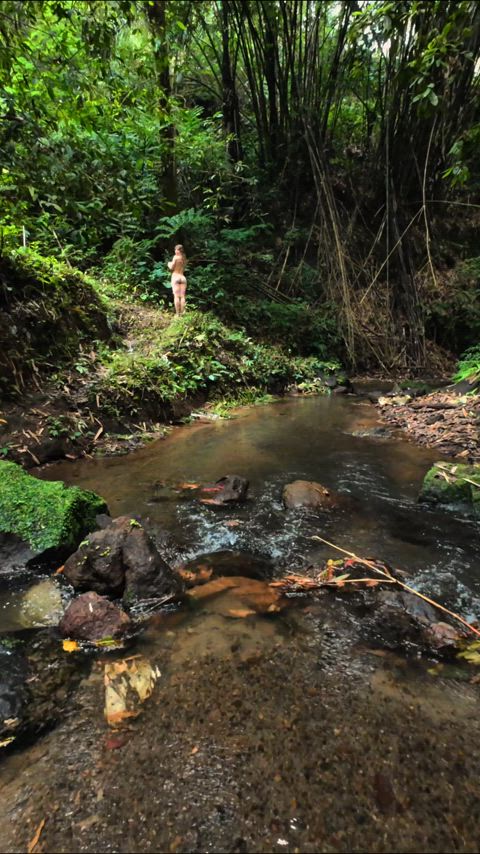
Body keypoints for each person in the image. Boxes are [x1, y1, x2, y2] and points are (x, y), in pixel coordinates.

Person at [167, 244, 187, 316]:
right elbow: (184, 266)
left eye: (176, 250)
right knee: (182, 296)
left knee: (176, 296)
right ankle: (183, 313)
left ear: (178, 250)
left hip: (175, 277)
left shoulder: (175, 257)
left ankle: (177, 314)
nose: (175, 251)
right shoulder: (184, 258)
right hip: (182, 277)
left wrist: (168, 264)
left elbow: (172, 267)